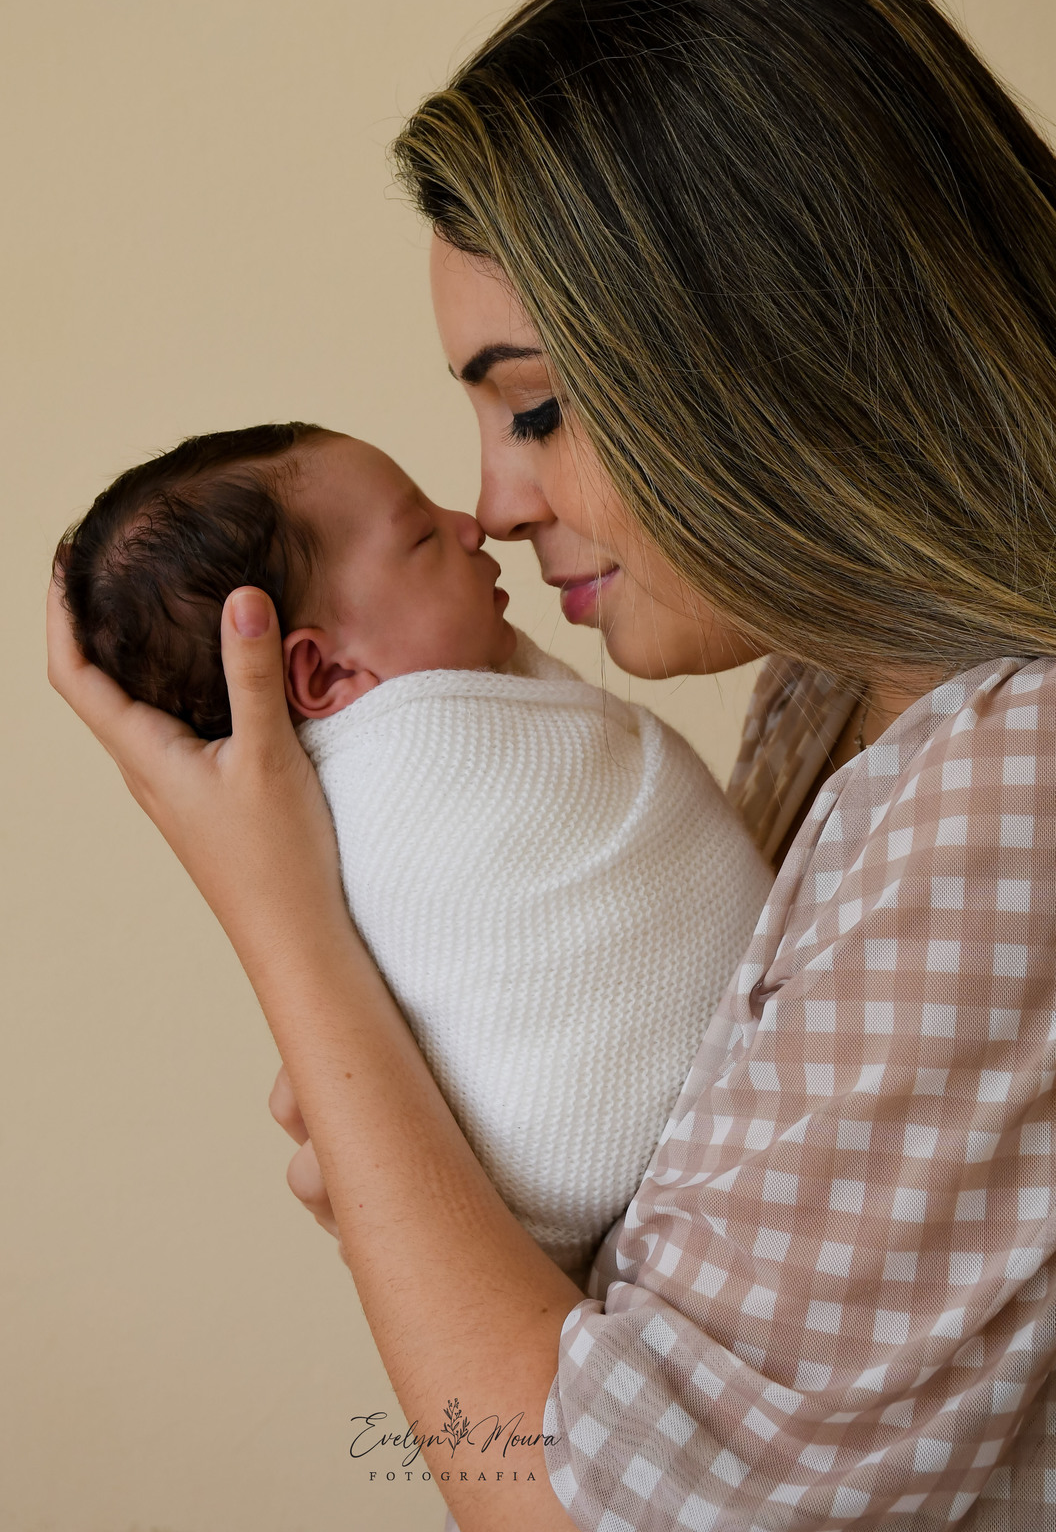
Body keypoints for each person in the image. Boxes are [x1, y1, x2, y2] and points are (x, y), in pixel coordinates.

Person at [47, 0, 1056, 1529]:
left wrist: (283, 927)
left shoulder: (1015, 791)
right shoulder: (832, 700)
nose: (497, 503)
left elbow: (600, 1509)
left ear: (773, 340)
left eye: (535, 407)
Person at [56, 421, 771, 1275]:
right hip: (585, 1180)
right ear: (323, 674)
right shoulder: (416, 779)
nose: (472, 525)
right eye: (423, 535)